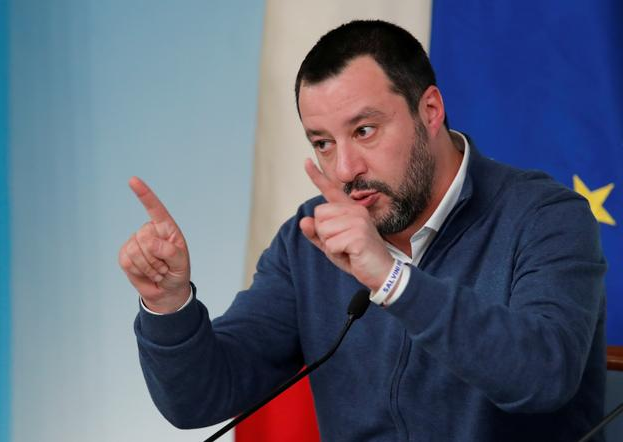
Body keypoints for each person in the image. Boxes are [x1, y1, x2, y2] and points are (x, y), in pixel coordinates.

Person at [119, 20, 607, 441]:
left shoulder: (546, 217)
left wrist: (393, 280)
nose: (346, 167)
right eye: (323, 143)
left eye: (364, 131)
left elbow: (545, 376)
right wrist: (169, 307)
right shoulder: (309, 237)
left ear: (430, 112)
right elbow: (201, 399)